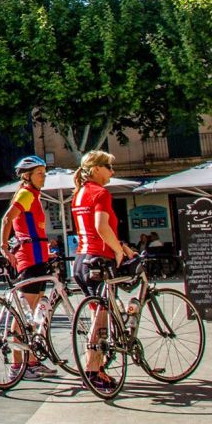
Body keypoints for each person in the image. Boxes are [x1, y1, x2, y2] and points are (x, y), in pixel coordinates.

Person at [71, 150, 136, 393]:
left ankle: (96, 368)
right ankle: (91, 370)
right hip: (100, 260)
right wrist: (118, 251)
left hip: (81, 260)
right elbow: (100, 226)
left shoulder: (78, 194)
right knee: (101, 318)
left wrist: (121, 246)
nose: (112, 171)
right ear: (96, 169)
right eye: (108, 166)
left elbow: (89, 228)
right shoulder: (100, 192)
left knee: (100, 313)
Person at [0, 154, 58, 380]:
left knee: (34, 314)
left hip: (39, 257)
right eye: (40, 174)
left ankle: (31, 361)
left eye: (44, 173)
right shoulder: (25, 193)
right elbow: (7, 219)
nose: (44, 177)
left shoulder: (33, 194)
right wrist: (4, 246)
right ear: (27, 175)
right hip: (29, 258)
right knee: (24, 314)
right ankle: (17, 365)